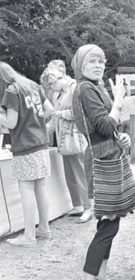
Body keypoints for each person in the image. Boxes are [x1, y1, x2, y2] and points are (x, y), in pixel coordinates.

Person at [71, 44, 135, 280]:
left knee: (109, 222)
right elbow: (103, 124)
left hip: (110, 154)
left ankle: (100, 279)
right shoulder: (85, 89)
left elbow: (109, 127)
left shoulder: (95, 88)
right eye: (92, 60)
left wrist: (121, 137)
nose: (99, 65)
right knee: (108, 227)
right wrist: (119, 103)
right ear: (80, 64)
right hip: (101, 160)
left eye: (102, 61)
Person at [0, 61, 54, 246]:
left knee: (26, 190)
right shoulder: (32, 85)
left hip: (25, 147)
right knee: (40, 187)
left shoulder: (11, 92)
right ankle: (44, 229)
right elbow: (50, 110)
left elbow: (11, 123)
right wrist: (35, 123)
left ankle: (29, 236)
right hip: (41, 144)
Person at [40, 65, 93, 223]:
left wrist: (60, 113)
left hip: (75, 138)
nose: (51, 88)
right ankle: (77, 205)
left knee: (80, 173)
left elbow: (81, 114)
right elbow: (54, 118)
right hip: (64, 140)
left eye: (51, 84)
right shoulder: (59, 93)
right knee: (69, 174)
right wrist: (43, 131)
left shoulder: (75, 88)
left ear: (57, 79)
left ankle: (88, 207)